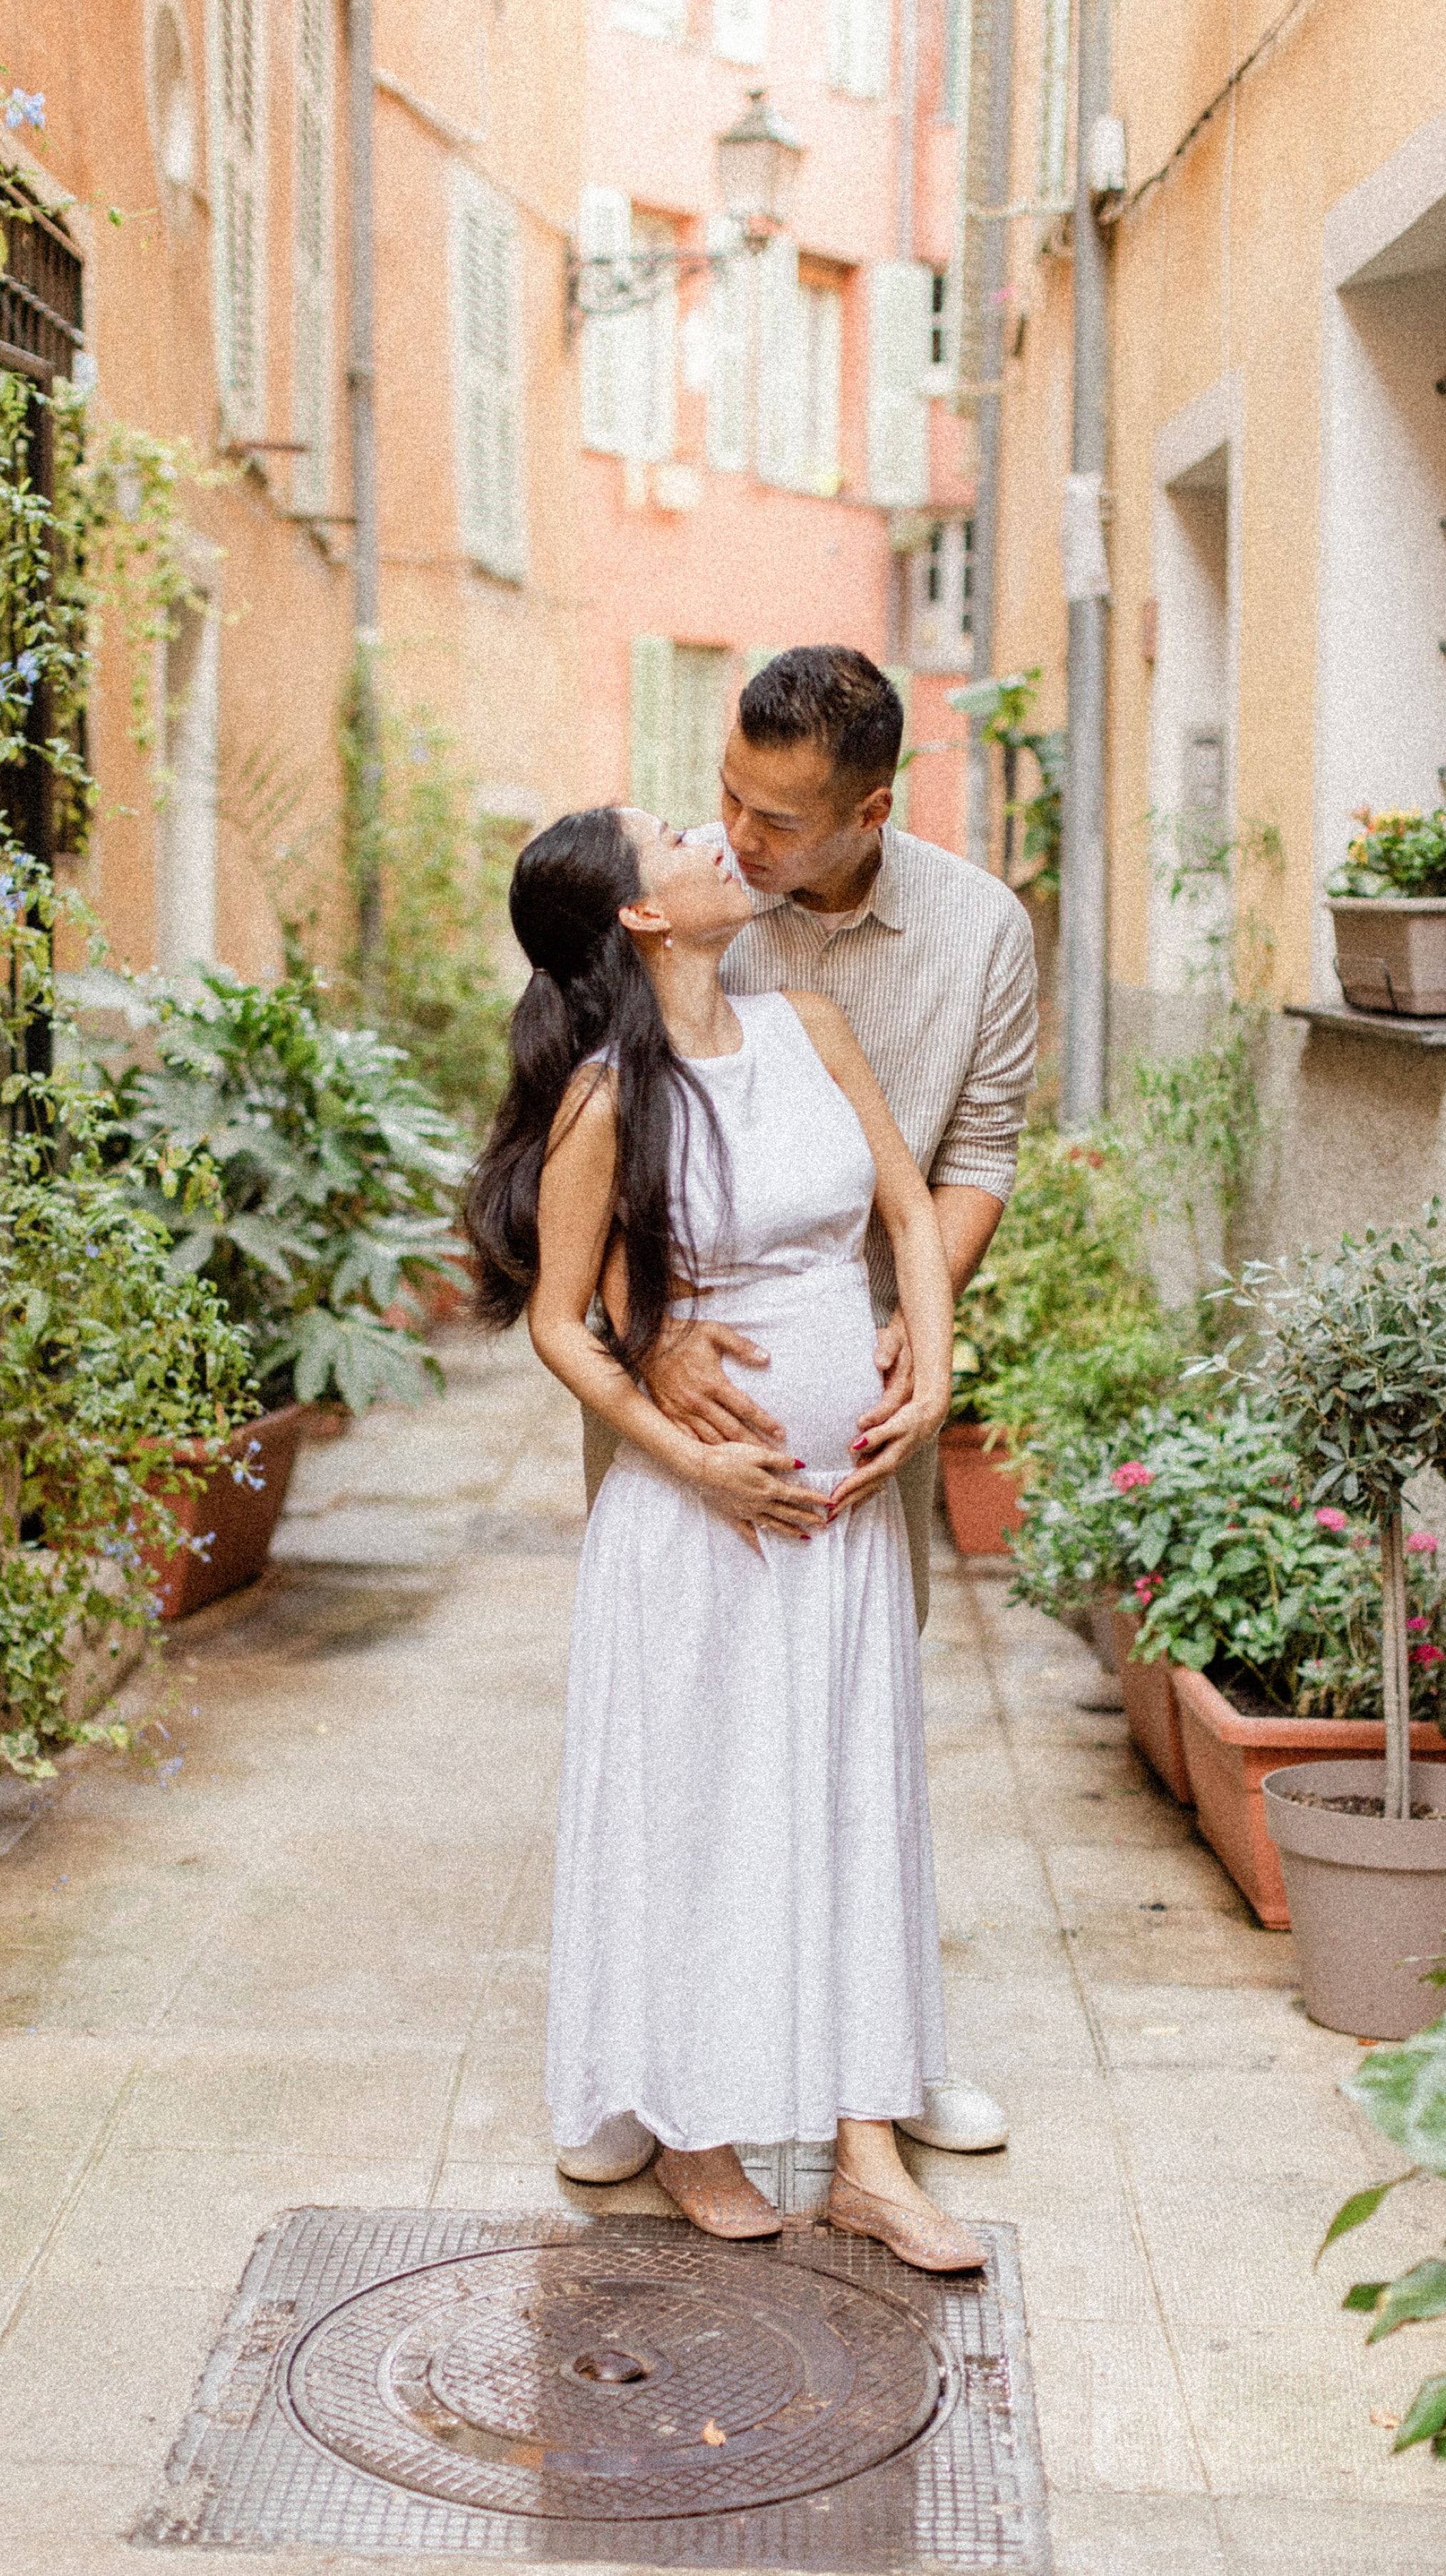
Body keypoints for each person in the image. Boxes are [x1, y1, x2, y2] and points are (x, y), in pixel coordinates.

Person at [467, 803, 982, 2271]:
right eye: (680, 838)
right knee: (702, 1807)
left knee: (850, 1795)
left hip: (846, 1510)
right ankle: (694, 2127)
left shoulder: (813, 1022)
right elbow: (562, 1323)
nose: (716, 839)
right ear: (641, 916)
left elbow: (902, 1204)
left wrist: (930, 1376)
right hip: (704, 1528)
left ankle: (866, 2153)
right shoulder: (605, 1098)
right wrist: (700, 1460)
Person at [577, 646, 1039, 2178]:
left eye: (780, 818)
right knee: (679, 1718)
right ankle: (654, 2072)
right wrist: (651, 1344)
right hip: (690, 1385)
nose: (743, 838)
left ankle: (875, 2062)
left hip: (858, 1404)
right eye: (726, 798)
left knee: (851, 1718)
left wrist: (919, 1318)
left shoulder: (980, 932)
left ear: (871, 812)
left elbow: (972, 1153)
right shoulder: (698, 914)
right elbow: (579, 1140)